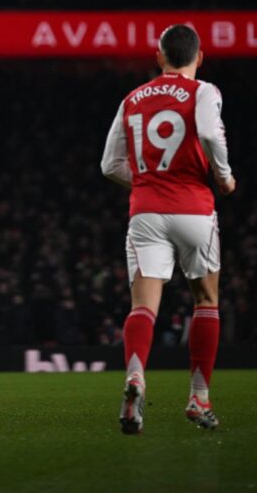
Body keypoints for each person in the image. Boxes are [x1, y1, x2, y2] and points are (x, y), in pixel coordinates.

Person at [101, 25, 235, 435]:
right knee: (206, 300)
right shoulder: (205, 92)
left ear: (158, 56)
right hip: (195, 208)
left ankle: (136, 378)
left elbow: (109, 165)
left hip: (146, 213)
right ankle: (198, 398)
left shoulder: (131, 99)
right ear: (200, 57)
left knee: (144, 306)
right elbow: (211, 133)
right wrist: (224, 176)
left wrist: (145, 181)